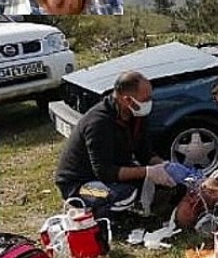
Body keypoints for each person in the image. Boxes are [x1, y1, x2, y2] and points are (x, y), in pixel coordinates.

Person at [55, 72, 177, 218]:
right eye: (146, 99)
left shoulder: (136, 115)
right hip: (79, 186)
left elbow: (144, 152)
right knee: (123, 194)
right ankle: (96, 215)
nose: (149, 103)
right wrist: (148, 172)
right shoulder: (98, 123)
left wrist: (165, 167)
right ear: (127, 100)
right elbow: (105, 171)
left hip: (111, 174)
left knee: (167, 182)